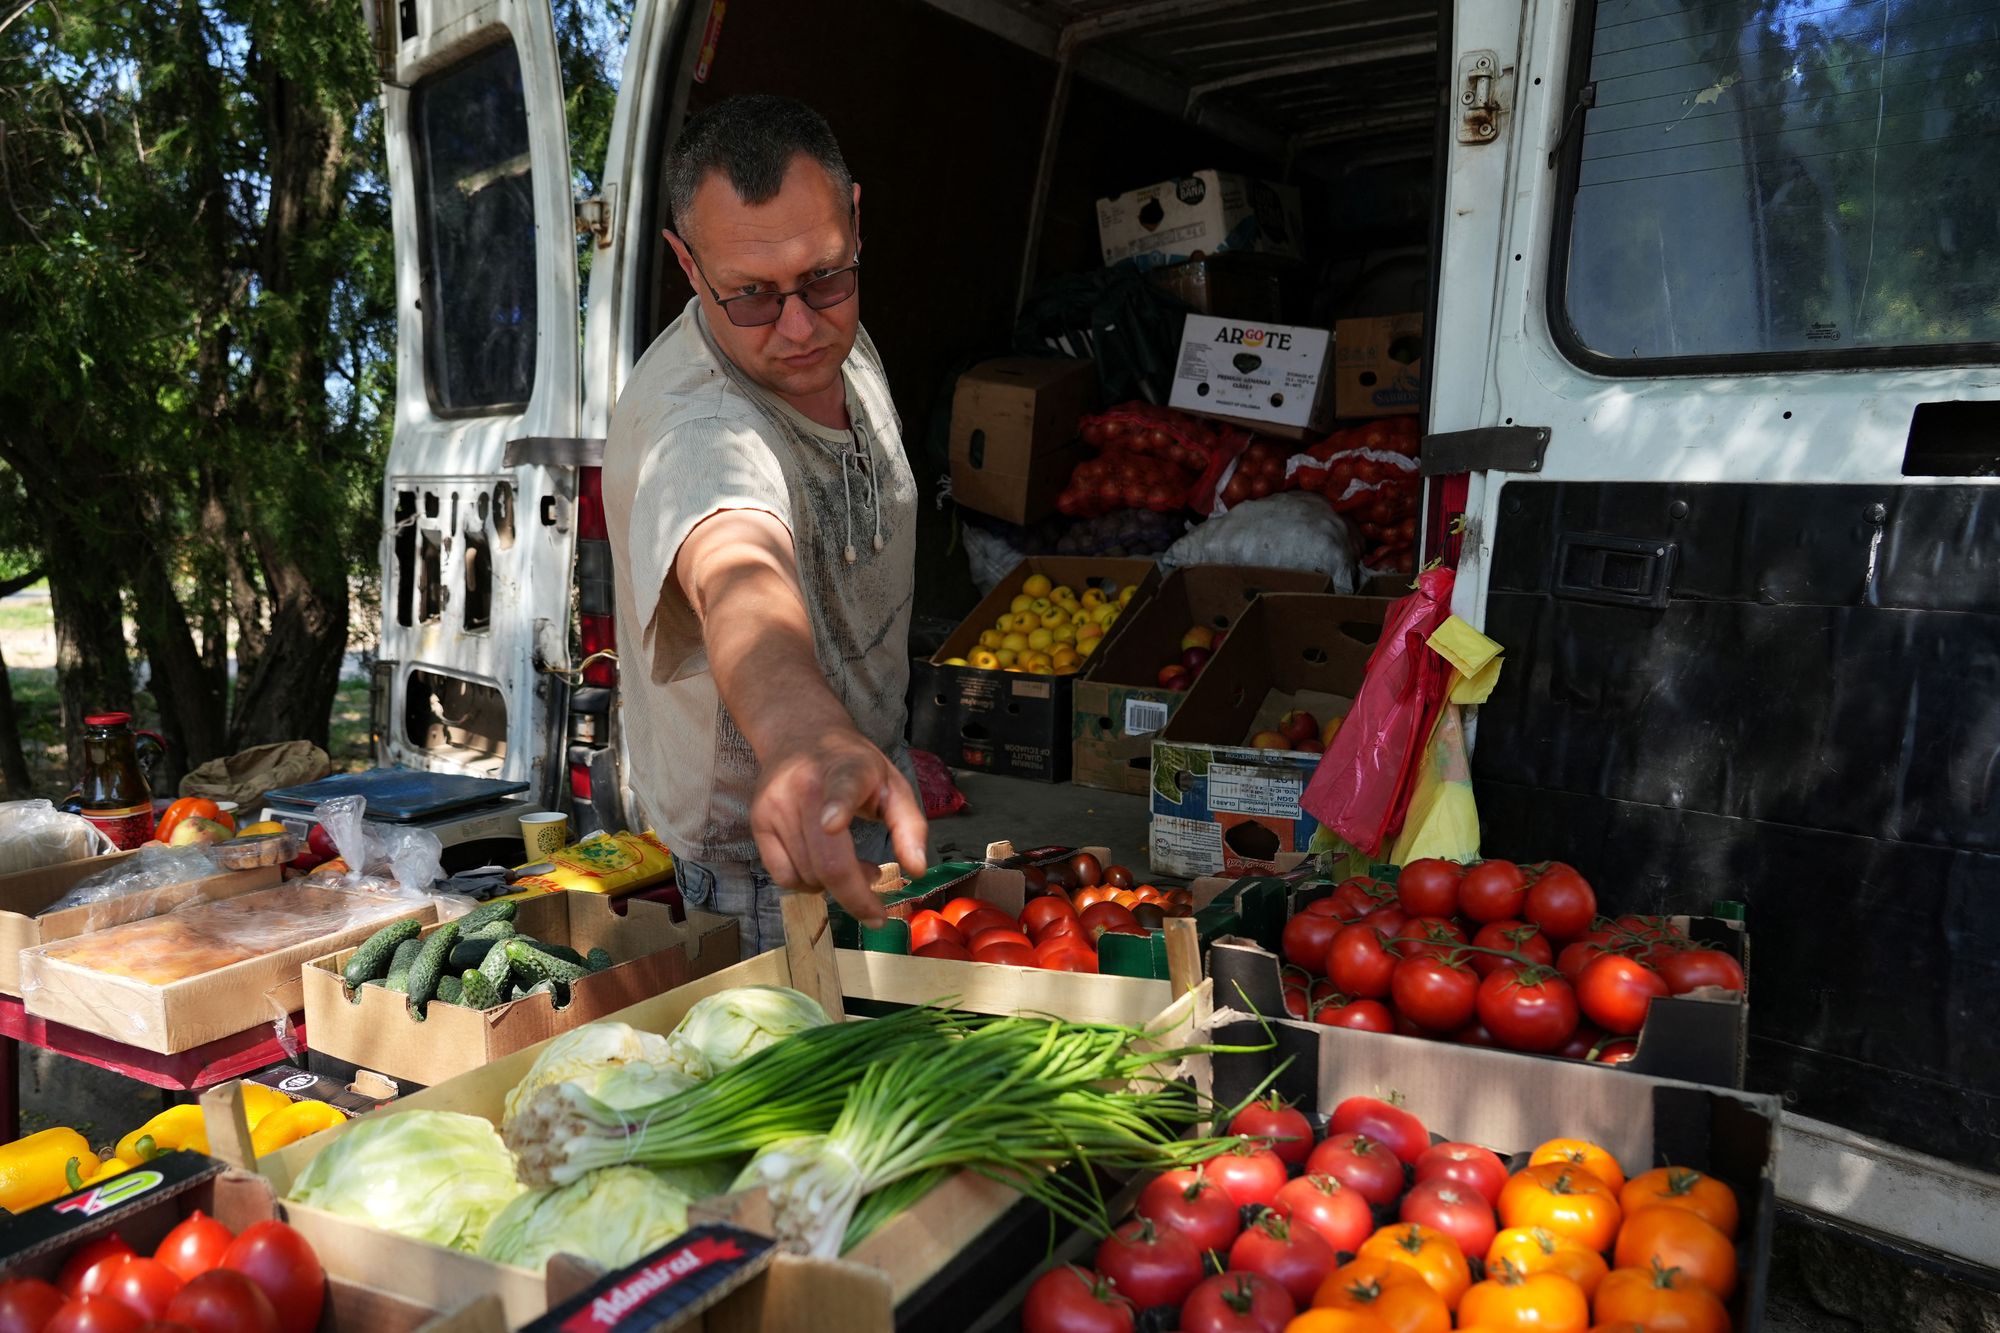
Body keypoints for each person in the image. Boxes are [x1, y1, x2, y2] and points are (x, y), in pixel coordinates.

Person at [602, 94, 926, 957]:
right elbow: (737, 567)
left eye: (826, 276)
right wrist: (806, 740)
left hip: (866, 793)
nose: (798, 326)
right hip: (755, 867)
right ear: (686, 262)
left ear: (854, 223)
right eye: (749, 295)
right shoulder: (696, 427)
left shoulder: (831, 330)